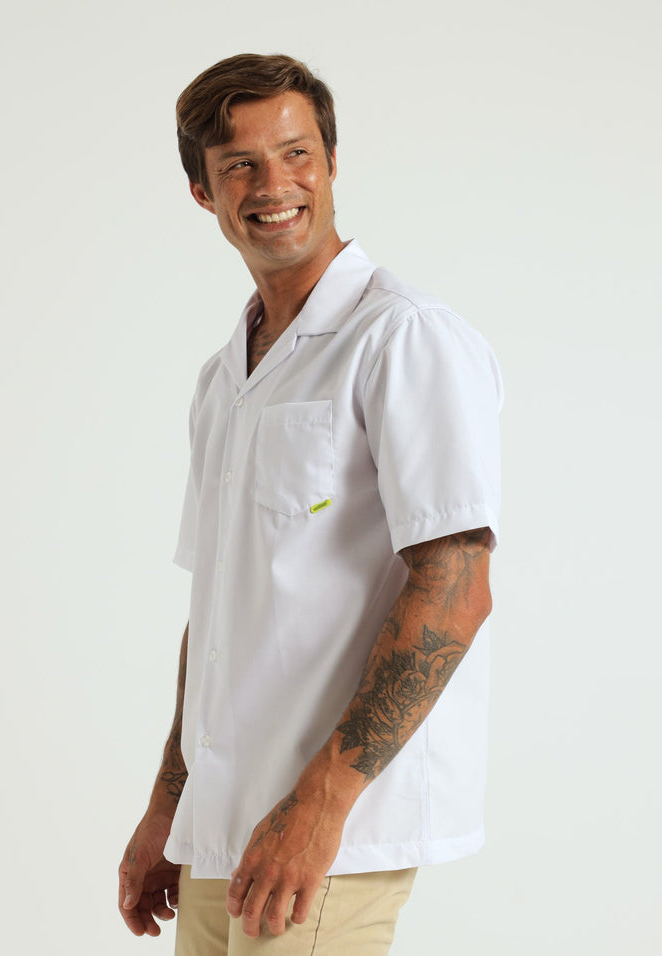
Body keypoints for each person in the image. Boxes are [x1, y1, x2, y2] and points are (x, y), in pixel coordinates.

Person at [118, 53, 502, 955]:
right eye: (239, 165)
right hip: (225, 824)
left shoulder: (403, 339)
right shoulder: (224, 378)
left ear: (331, 162)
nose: (274, 185)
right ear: (203, 192)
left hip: (330, 831)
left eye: (296, 153)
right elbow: (217, 611)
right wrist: (171, 804)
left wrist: (324, 803)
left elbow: (455, 588)